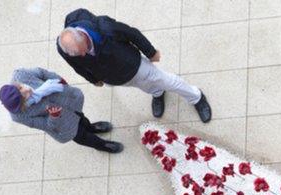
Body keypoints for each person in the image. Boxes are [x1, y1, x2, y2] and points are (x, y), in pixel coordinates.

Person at [56, 8, 212, 123]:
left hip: (134, 66)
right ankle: (158, 93)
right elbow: (77, 67)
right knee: (145, 87)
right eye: (77, 54)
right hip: (113, 77)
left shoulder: (105, 27)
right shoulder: (66, 49)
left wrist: (151, 53)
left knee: (167, 81)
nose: (82, 56)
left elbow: (132, 34)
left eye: (81, 51)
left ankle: (196, 97)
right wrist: (93, 79)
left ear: (83, 36)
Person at [0, 67, 122, 154]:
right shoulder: (19, 116)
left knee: (81, 117)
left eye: (20, 88)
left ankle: (91, 127)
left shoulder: (20, 75)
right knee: (82, 136)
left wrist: (61, 81)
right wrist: (54, 116)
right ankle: (101, 145)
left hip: (68, 100)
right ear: (21, 105)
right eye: (24, 97)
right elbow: (45, 126)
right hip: (62, 124)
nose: (27, 91)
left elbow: (42, 73)